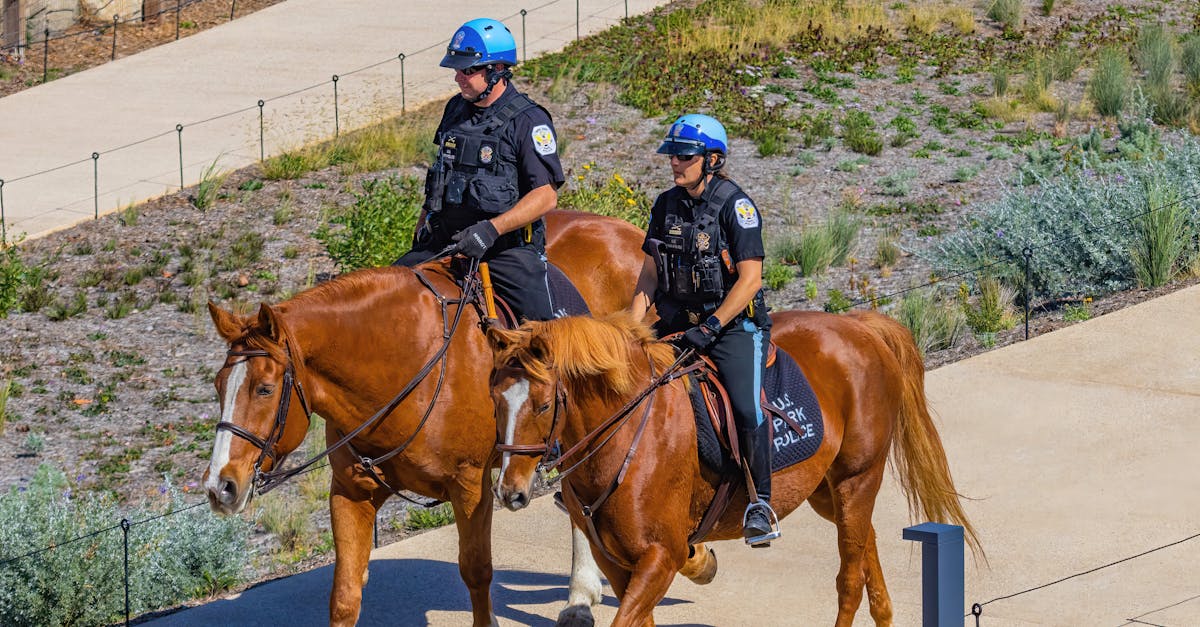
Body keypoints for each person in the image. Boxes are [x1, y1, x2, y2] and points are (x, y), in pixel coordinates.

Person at [630, 114, 779, 547]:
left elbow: (750, 279)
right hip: (679, 325)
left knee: (747, 407)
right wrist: (628, 331)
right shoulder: (665, 205)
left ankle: (760, 504)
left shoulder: (737, 206)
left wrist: (713, 325)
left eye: (684, 156)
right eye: (672, 156)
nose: (674, 163)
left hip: (735, 327)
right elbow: (649, 278)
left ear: (711, 159)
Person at [395, 17, 563, 322]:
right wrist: (423, 222)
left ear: (497, 70)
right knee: (388, 294)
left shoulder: (529, 121)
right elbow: (442, 173)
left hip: (504, 250)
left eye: (468, 70)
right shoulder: (454, 109)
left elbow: (545, 197)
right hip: (445, 241)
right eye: (456, 69)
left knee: (542, 332)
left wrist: (491, 229)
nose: (458, 77)